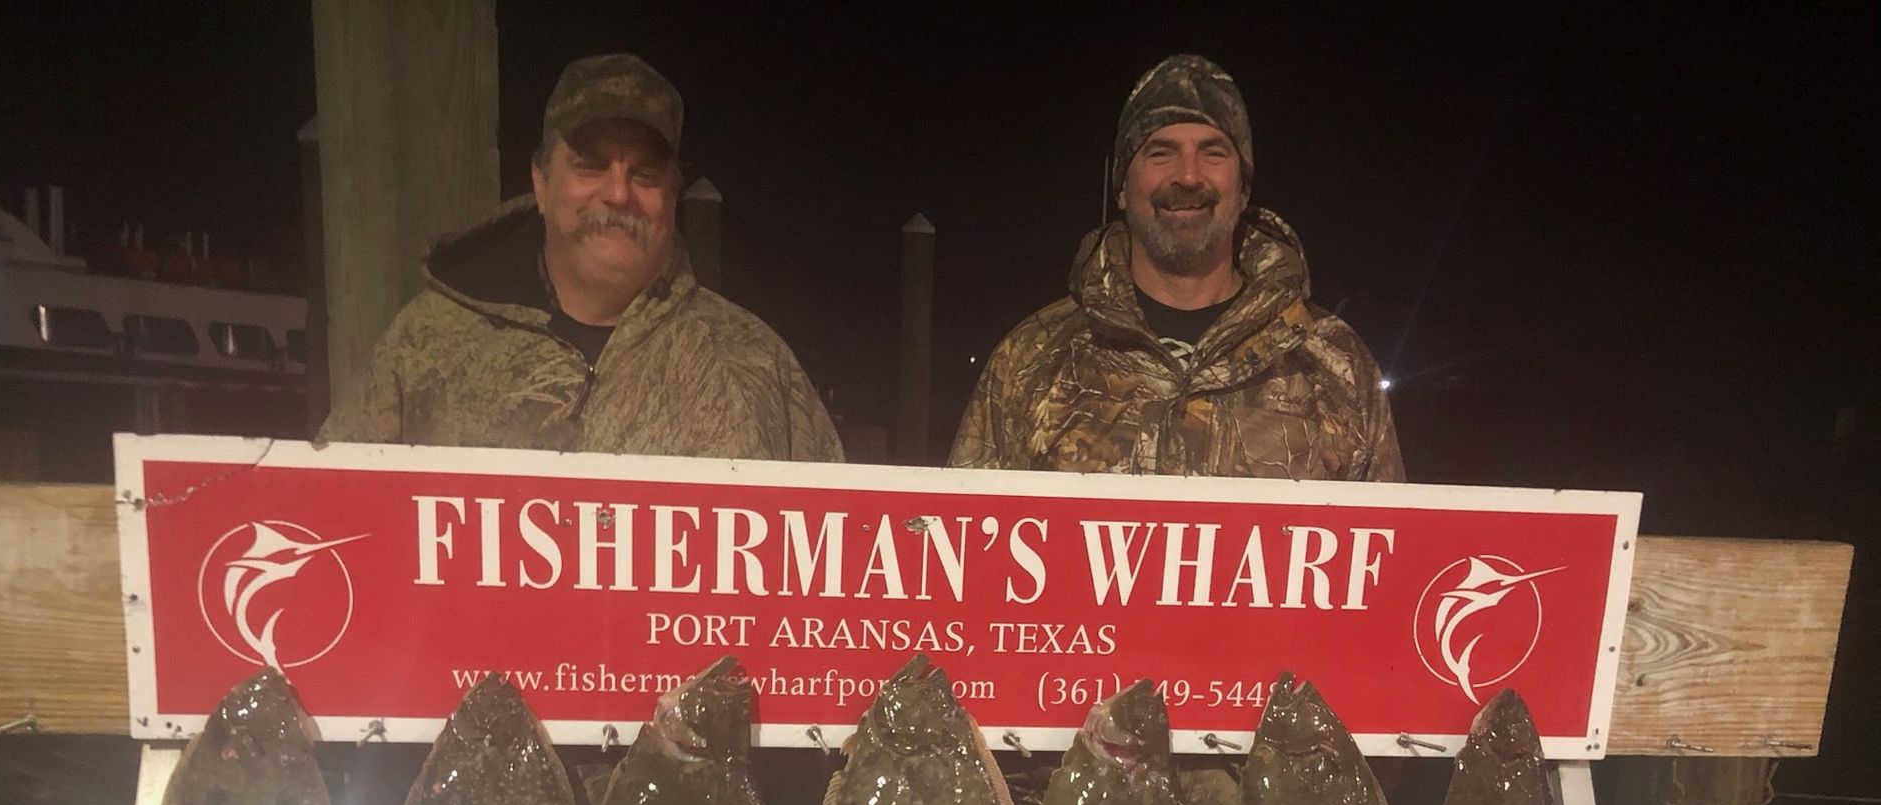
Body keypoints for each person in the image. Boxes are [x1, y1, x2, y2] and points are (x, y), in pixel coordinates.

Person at [320, 54, 841, 462]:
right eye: (590, 166)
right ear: (541, 184)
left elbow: (836, 558)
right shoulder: (426, 343)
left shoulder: (753, 361)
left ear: (672, 198)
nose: (618, 194)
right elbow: (334, 526)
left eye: (645, 175)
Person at [952, 54, 1403, 482]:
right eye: (1160, 152)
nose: (1188, 176)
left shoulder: (1334, 364)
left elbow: (1388, 553)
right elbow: (965, 542)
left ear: (1242, 189)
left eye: (1213, 152)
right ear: (1123, 189)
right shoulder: (1032, 360)